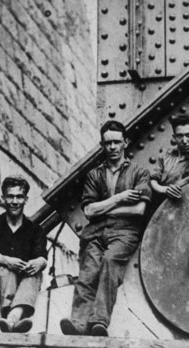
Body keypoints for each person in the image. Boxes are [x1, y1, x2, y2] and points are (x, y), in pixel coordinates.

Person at [60, 120, 152, 336]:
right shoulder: (94, 175)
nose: (112, 148)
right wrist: (120, 198)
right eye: (108, 143)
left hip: (125, 233)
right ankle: (79, 323)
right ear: (102, 144)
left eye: (116, 142)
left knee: (110, 262)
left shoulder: (139, 173)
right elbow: (89, 212)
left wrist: (103, 208)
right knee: (88, 272)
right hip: (95, 234)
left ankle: (99, 321)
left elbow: (139, 210)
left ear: (125, 143)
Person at [0, 176, 48, 333]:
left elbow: (42, 257)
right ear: (3, 198)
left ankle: (12, 317)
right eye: (10, 196)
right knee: (6, 270)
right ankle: (12, 315)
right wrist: (6, 260)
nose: (14, 201)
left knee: (35, 273)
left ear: (25, 199)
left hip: (25, 282)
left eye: (19, 197)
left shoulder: (36, 230)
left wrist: (39, 262)